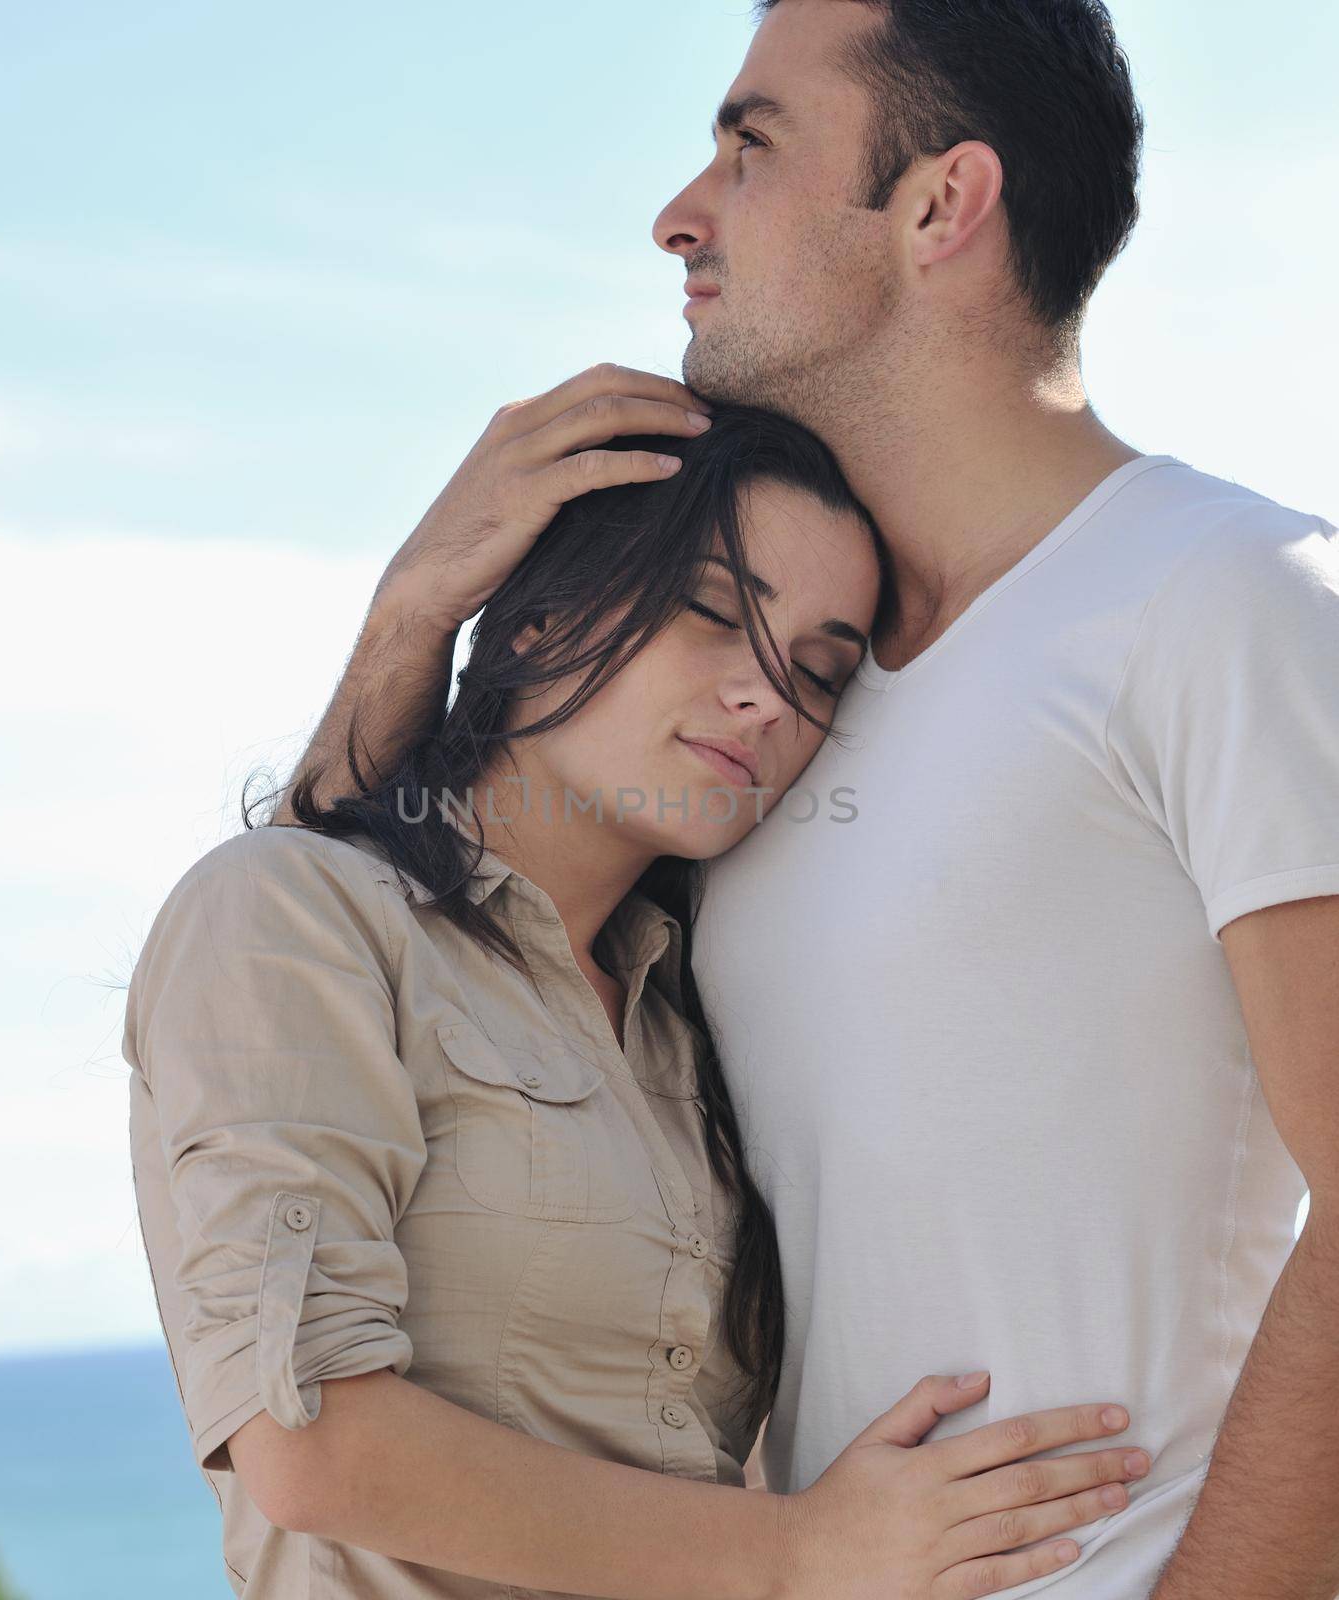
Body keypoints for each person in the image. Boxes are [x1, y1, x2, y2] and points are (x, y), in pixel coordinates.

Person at [273, 2, 1339, 1596]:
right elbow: (383, 954)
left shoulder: (1225, 596)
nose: (678, 213)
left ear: (936, 206)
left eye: (749, 144)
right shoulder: (765, 721)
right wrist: (408, 619)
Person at [125, 402, 1152, 1600]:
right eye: (713, 610)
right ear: (541, 611)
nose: (767, 695)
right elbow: (315, 1449)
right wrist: (811, 1550)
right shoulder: (294, 914)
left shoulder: (695, 1010)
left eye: (819, 670)